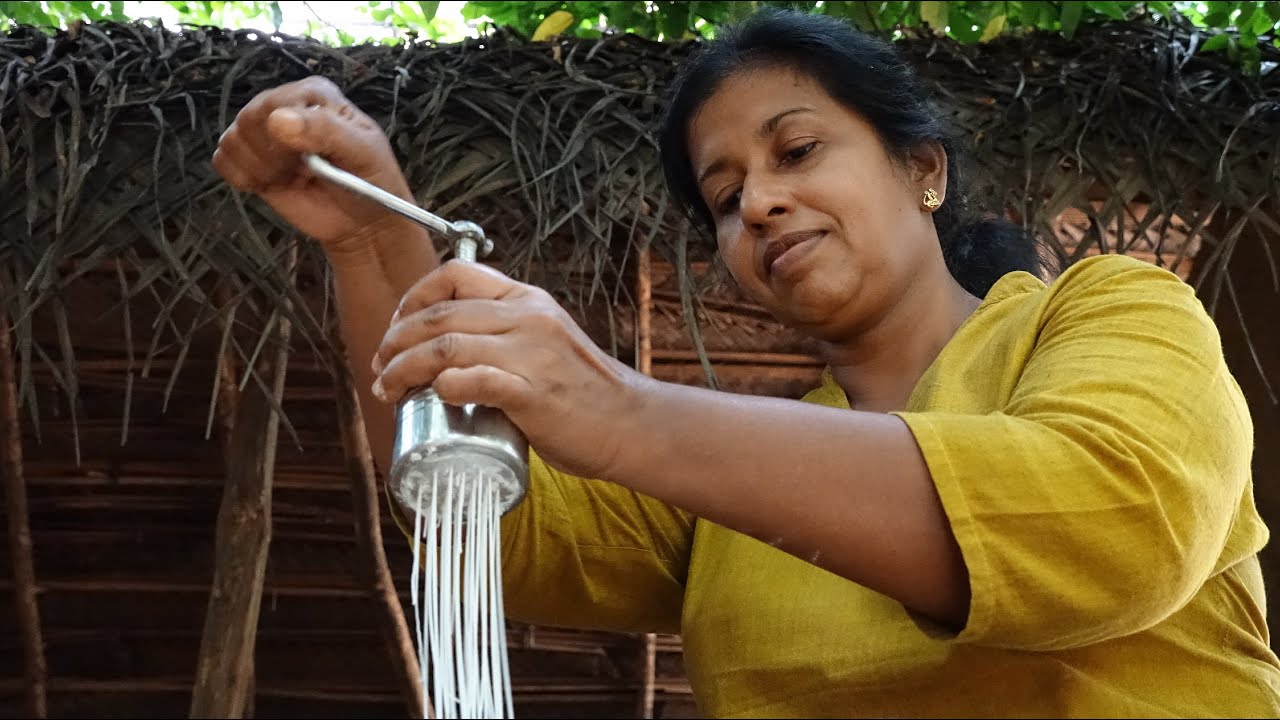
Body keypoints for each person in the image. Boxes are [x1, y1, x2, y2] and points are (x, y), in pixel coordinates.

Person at [213, 8, 1280, 717]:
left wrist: (619, 410)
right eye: (724, 198)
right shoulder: (730, 481)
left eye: (798, 151)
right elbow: (497, 532)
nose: (759, 200)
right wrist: (368, 239)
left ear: (921, 170)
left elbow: (1112, 521)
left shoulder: (1107, 311)